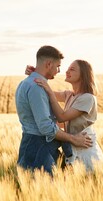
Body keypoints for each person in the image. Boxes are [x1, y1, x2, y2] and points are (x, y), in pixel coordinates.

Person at [15, 46, 92, 175]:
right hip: (39, 147)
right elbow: (46, 127)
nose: (59, 71)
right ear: (49, 64)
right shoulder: (37, 87)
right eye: (57, 66)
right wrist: (73, 139)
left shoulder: (26, 83)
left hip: (31, 144)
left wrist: (35, 73)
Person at [26, 59, 103, 172]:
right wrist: (36, 74)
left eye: (72, 69)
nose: (67, 71)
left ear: (83, 74)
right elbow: (44, 91)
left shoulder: (88, 98)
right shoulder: (69, 95)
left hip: (85, 149)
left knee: (91, 179)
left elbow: (62, 117)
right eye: (68, 69)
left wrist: (49, 92)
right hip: (72, 145)